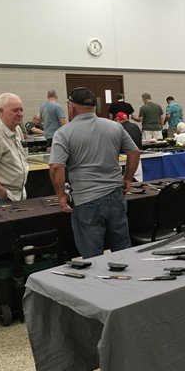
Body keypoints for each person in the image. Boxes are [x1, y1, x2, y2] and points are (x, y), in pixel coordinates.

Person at [49, 87, 140, 259]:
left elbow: (56, 167)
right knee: (123, 253)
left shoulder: (64, 133)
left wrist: (61, 195)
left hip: (86, 200)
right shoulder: (114, 127)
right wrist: (128, 178)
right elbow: (134, 152)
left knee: (92, 258)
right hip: (115, 197)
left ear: (72, 107)